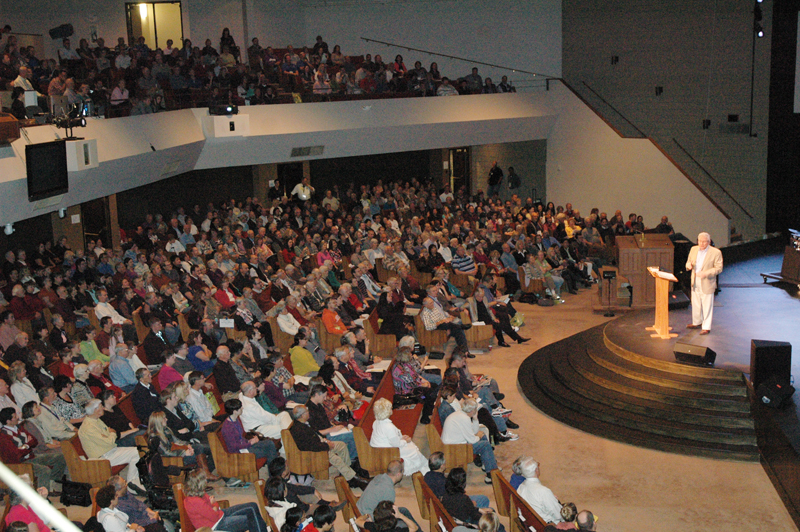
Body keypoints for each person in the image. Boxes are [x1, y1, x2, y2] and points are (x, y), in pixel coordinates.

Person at [288, 405, 369, 490]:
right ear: (302, 415)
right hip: (315, 452)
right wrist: (327, 446)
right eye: (306, 411)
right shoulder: (299, 430)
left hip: (320, 443)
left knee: (342, 445)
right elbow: (311, 446)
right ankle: (353, 478)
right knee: (335, 459)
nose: (308, 412)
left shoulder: (304, 422)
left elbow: (316, 434)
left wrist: (325, 440)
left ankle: (347, 472)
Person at [78, 399, 148, 495]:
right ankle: (132, 484)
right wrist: (111, 434)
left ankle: (133, 482)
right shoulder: (88, 427)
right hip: (101, 457)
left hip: (109, 450)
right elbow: (109, 440)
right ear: (95, 410)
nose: (103, 408)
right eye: (100, 406)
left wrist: (110, 434)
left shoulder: (96, 420)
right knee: (137, 453)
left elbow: (109, 435)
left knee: (139, 451)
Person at [183, 469, 269, 532]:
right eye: (204, 479)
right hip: (216, 525)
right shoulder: (194, 501)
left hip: (220, 515)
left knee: (252, 506)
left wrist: (214, 507)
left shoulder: (199, 492)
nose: (206, 481)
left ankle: (263, 529)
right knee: (251, 519)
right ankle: (263, 529)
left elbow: (214, 505)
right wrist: (214, 506)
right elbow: (214, 516)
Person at [441, 398, 498, 484]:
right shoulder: (464, 418)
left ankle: (487, 464)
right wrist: (478, 436)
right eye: (475, 408)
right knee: (485, 444)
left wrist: (475, 419)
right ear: (472, 410)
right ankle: (490, 475)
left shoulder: (461, 414)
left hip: (455, 443)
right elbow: (472, 440)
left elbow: (474, 431)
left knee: (481, 435)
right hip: (454, 448)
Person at [369, 398, 429, 475]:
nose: (392, 409)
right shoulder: (388, 426)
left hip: (380, 449)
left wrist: (401, 438)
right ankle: (423, 468)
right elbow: (396, 444)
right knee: (412, 449)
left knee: (410, 444)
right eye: (391, 408)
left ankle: (423, 466)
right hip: (387, 451)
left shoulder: (376, 422)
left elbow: (389, 438)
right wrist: (405, 441)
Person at [356, 460, 419, 530]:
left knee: (404, 510)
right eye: (402, 472)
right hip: (369, 517)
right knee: (404, 525)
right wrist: (400, 516)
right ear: (398, 474)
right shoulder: (389, 490)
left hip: (360, 508)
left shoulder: (379, 477)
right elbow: (387, 516)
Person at [685, 232, 723, 334]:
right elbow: (688, 261)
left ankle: (706, 327)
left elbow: (719, 268)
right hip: (695, 280)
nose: (701, 244)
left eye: (704, 242)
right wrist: (688, 266)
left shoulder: (716, 252)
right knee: (695, 303)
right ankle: (696, 322)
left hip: (707, 281)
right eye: (700, 241)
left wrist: (705, 273)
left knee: (707, 305)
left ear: (709, 242)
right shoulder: (693, 249)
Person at [424, 452, 490, 508]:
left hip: (435, 504)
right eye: (445, 462)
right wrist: (470, 503)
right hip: (450, 508)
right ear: (442, 466)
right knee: (484, 499)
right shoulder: (444, 484)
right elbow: (453, 501)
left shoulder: (427, 475)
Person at [515, 457, 564, 525]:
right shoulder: (544, 491)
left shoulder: (521, 487)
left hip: (530, 523)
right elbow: (559, 515)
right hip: (547, 526)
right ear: (536, 470)